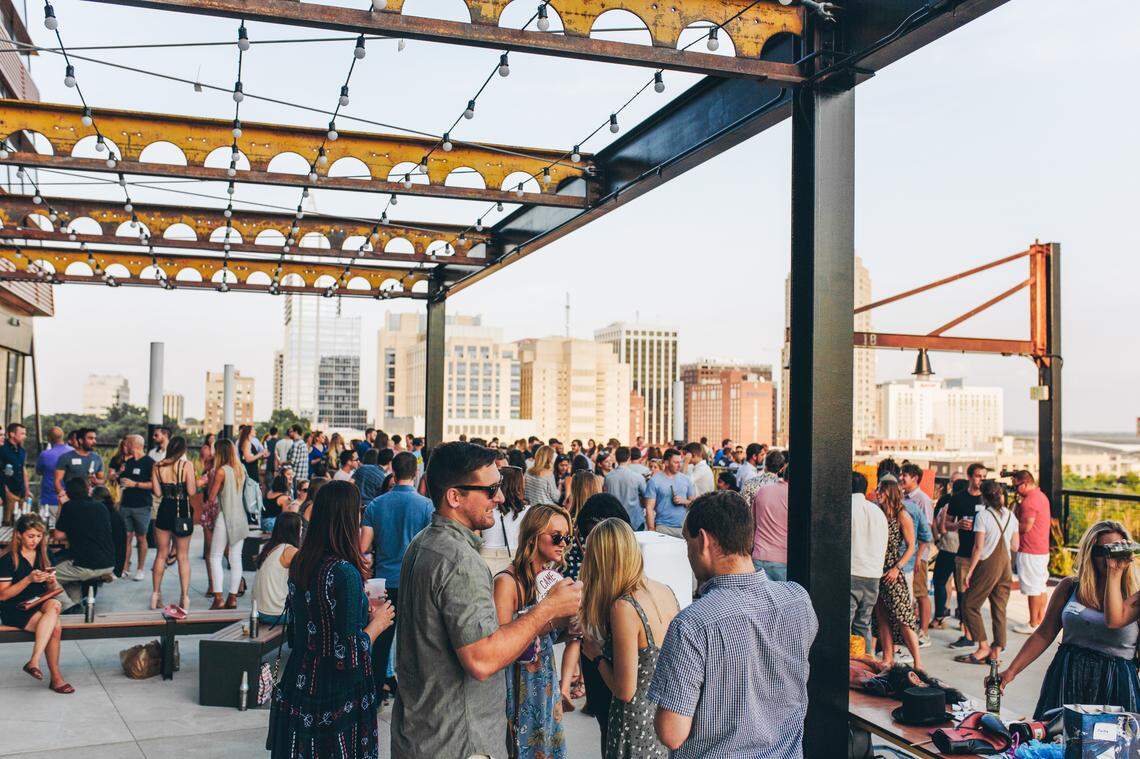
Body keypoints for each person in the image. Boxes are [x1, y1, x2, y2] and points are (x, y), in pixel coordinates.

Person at [391, 442, 582, 759]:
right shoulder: (458, 559)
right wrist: (546, 609)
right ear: (455, 496)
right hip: (458, 740)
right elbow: (481, 659)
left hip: (424, 732)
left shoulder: (423, 543)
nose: (501, 498)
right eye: (491, 489)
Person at [648, 491, 817, 756]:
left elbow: (671, 733)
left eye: (687, 541)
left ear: (703, 540)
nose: (688, 552)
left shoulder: (692, 625)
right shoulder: (798, 600)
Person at [266, 480, 394, 758]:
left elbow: (308, 625)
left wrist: (360, 612)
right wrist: (377, 623)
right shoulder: (343, 571)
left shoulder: (302, 561)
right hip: (335, 691)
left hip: (300, 679)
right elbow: (345, 651)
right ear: (347, 519)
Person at [1003, 520, 1140, 718]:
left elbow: (1115, 622)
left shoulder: (1134, 597)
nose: (1109, 558)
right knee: (1056, 741)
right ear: (1089, 552)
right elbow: (1044, 633)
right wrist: (1011, 671)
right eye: (1103, 551)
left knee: (1109, 746)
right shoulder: (1070, 587)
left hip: (1115, 682)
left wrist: (1115, 573)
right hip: (1068, 674)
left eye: (1116, 550)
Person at [581, 517, 679, 759]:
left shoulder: (625, 607)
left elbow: (625, 690)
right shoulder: (664, 590)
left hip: (633, 727)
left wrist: (596, 656)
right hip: (662, 719)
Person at [493, 504, 574, 759]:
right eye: (556, 536)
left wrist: (572, 626)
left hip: (545, 683)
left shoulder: (552, 579)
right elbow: (500, 646)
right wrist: (548, 617)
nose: (563, 543)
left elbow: (549, 637)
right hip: (519, 686)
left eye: (567, 537)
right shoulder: (507, 583)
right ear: (534, 534)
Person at [359, 451, 433, 702]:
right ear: (415, 473)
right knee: (412, 639)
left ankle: (377, 689)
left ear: (392, 470)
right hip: (413, 581)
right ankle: (412, 693)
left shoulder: (376, 505)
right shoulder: (426, 506)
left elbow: (364, 546)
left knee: (380, 637)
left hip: (382, 581)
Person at [559, 493, 631, 731]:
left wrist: (596, 656)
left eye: (593, 538)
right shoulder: (592, 575)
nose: (588, 545)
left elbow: (624, 688)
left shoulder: (625, 599)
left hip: (613, 685)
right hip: (600, 685)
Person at [0, 513, 72, 693]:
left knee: (55, 604)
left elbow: (51, 586)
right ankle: (56, 678)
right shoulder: (8, 559)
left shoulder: (45, 553)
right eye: (30, 536)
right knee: (55, 627)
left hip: (39, 602)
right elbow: (3, 596)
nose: (35, 541)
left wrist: (51, 580)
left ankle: (34, 661)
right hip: (15, 609)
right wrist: (28, 579)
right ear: (19, 535)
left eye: (39, 536)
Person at [955, 480, 1018, 665]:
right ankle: (996, 651)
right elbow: (1016, 545)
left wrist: (970, 571)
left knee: (969, 604)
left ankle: (983, 647)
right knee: (999, 607)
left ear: (983, 496)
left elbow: (978, 547)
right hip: (1006, 564)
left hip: (988, 564)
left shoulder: (983, 516)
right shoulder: (1011, 516)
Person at [873, 480, 923, 669]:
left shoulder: (902, 514)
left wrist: (897, 568)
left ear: (889, 492)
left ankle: (918, 662)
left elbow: (912, 546)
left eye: (881, 490)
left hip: (893, 570)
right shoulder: (879, 512)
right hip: (878, 568)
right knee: (882, 616)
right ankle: (888, 657)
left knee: (903, 617)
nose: (877, 493)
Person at [52, 478, 115, 610]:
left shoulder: (70, 507)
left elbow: (58, 535)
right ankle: (76, 603)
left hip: (87, 565)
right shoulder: (100, 506)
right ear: (87, 490)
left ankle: (69, 607)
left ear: (68, 493)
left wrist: (61, 505)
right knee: (69, 571)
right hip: (109, 562)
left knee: (49, 578)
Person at [150, 436, 197, 611]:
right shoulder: (187, 466)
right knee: (183, 556)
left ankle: (155, 595)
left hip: (164, 510)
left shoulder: (157, 466)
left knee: (161, 554)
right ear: (183, 449)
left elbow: (156, 492)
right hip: (182, 510)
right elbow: (192, 491)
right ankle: (184, 597)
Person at [946, 462, 988, 649]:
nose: (981, 480)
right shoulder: (958, 499)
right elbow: (946, 524)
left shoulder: (988, 500)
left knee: (978, 597)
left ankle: (980, 637)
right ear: (970, 477)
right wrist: (957, 525)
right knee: (963, 595)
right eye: (979, 476)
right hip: (964, 554)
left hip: (984, 555)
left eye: (984, 477)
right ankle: (967, 633)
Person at [204, 439, 249, 610]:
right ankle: (232, 598)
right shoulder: (241, 469)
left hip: (225, 517)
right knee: (236, 558)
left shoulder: (221, 471)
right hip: (241, 518)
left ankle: (218, 598)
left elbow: (211, 497)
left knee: (215, 556)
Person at [850, 471, 888, 650]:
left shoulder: (846, 508)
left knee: (844, 624)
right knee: (863, 624)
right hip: (872, 575)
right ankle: (865, 664)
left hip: (852, 572)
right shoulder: (877, 512)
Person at [899, 463, 935, 645]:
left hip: (917, 557)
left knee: (921, 594)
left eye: (905, 475)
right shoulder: (904, 497)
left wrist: (919, 558)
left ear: (915, 478)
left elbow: (926, 531)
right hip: (909, 557)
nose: (901, 478)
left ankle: (924, 633)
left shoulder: (922, 499)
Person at [1013, 470, 1051, 632]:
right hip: (1041, 548)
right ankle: (1040, 619)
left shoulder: (1029, 501)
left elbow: (1025, 526)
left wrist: (1011, 528)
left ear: (1025, 483)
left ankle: (1033, 623)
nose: (1015, 490)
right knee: (1040, 586)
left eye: (1017, 486)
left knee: (1032, 588)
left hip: (1030, 550)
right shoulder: (1041, 496)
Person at [251, 512, 302, 627]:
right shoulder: (289, 551)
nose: (302, 530)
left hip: (259, 611)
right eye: (300, 527)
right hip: (276, 614)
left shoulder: (268, 547)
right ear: (293, 530)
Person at [117, 435, 153, 581]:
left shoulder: (150, 463)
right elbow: (123, 480)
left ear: (135, 445)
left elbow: (154, 485)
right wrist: (119, 477)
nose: (126, 447)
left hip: (142, 506)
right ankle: (124, 568)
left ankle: (140, 569)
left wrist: (135, 484)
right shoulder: (129, 462)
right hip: (126, 504)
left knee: (141, 538)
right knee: (126, 537)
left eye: (128, 444)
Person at [481, 464, 530, 570]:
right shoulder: (527, 511)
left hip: (485, 557)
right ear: (519, 485)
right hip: (514, 558)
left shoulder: (487, 507)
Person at [932, 475, 966, 628]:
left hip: (948, 548)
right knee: (962, 587)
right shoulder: (970, 504)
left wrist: (938, 538)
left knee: (939, 581)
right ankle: (964, 621)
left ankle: (940, 616)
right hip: (963, 549)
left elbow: (942, 528)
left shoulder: (948, 504)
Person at [750, 460, 789, 581]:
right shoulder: (795, 496)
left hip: (759, 555)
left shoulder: (763, 491)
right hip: (783, 558)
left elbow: (753, 523)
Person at [643, 448, 694, 538]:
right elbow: (649, 507)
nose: (679, 465)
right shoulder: (654, 481)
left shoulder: (686, 479)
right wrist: (651, 529)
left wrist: (684, 501)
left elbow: (694, 503)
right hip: (663, 527)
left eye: (680, 462)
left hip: (684, 527)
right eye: (676, 462)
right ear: (666, 463)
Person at [54, 429, 104, 503]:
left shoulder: (97, 458)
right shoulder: (65, 457)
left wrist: (96, 481)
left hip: (92, 501)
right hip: (72, 501)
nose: (94, 441)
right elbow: (57, 480)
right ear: (81, 440)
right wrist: (63, 495)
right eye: (90, 438)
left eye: (94, 438)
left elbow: (102, 480)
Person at [604, 446, 648, 530]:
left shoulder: (608, 477)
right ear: (629, 457)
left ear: (616, 458)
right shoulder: (637, 477)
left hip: (615, 521)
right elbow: (647, 496)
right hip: (634, 520)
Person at [35, 427, 71, 521]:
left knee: (47, 530)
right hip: (69, 499)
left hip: (49, 499)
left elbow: (38, 471)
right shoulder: (72, 452)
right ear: (63, 436)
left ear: (49, 438)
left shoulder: (45, 454)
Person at [0, 422, 29, 525]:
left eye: (25, 433)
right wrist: (4, 489)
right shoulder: (2, 448)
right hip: (6, 492)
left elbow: (23, 469)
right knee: (6, 522)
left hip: (20, 491)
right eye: (22, 433)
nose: (25, 436)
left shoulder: (22, 451)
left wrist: (27, 489)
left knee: (19, 522)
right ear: (12, 434)